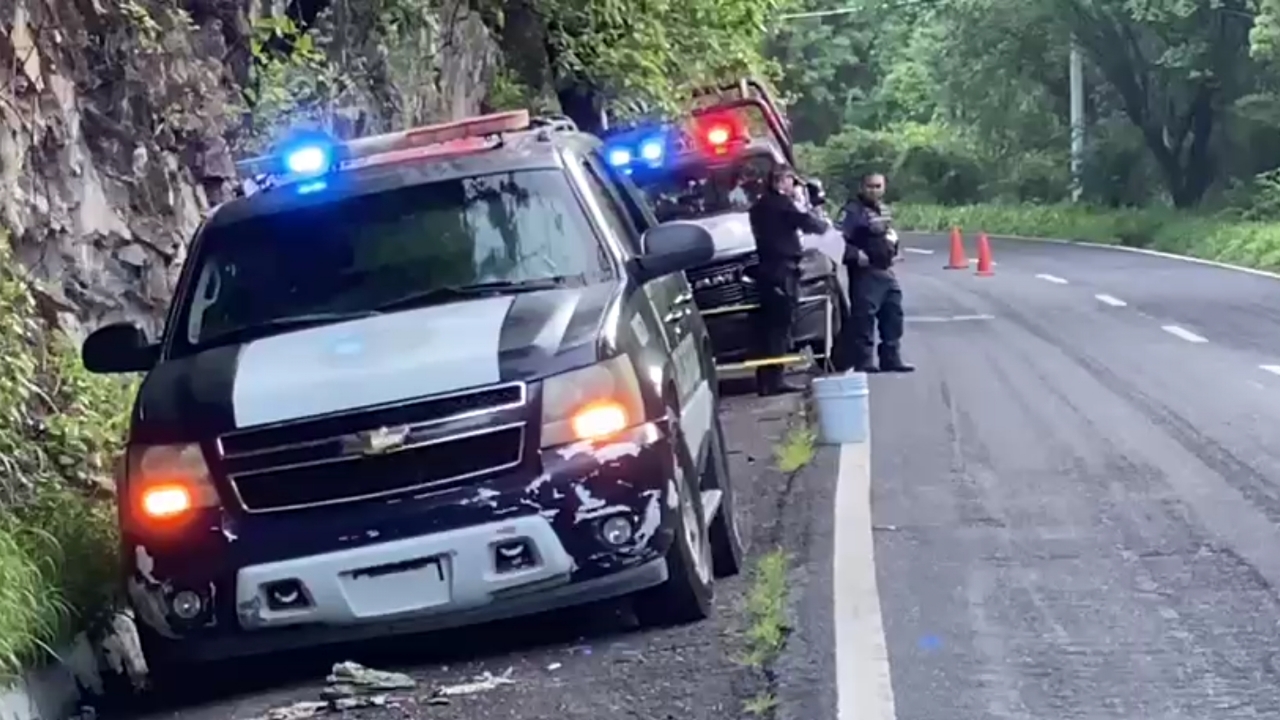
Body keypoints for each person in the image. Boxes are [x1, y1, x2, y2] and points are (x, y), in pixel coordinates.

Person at [747, 164, 831, 396]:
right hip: (781, 270)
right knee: (780, 326)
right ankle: (774, 380)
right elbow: (806, 222)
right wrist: (825, 228)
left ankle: (766, 379)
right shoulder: (780, 204)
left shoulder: (758, 207)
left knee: (769, 329)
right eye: (790, 181)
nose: (793, 186)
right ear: (781, 181)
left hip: (768, 268)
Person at [838, 172, 915, 373]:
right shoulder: (852, 211)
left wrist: (895, 251)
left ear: (884, 188)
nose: (874, 190)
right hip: (865, 273)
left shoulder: (883, 210)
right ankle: (864, 361)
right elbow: (836, 240)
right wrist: (855, 256)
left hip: (886, 271)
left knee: (893, 314)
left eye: (878, 186)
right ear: (862, 188)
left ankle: (891, 358)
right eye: (870, 186)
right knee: (864, 318)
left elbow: (889, 234)